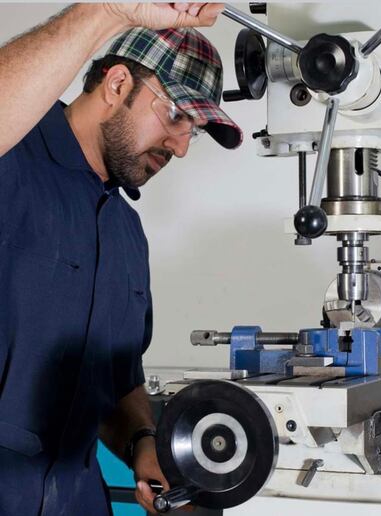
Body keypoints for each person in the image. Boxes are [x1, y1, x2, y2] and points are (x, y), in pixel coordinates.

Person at [0, 3, 242, 515]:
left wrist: (142, 442)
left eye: (193, 131)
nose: (180, 148)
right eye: (176, 115)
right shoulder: (13, 159)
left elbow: (114, 382)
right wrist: (107, 9)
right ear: (115, 85)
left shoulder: (126, 233)